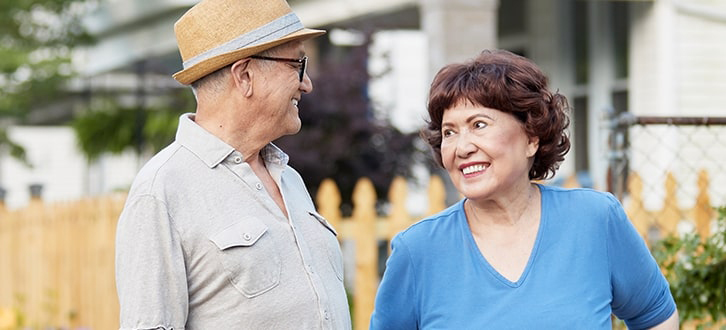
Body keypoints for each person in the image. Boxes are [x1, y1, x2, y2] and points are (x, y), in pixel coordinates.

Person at [370, 50, 678, 329]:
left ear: (532, 137)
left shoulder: (596, 219)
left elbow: (656, 316)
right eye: (450, 132)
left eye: (479, 125)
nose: (461, 148)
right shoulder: (418, 251)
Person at [114, 0, 351, 329]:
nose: (306, 83)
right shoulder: (162, 191)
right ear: (245, 76)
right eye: (297, 64)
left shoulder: (290, 179)